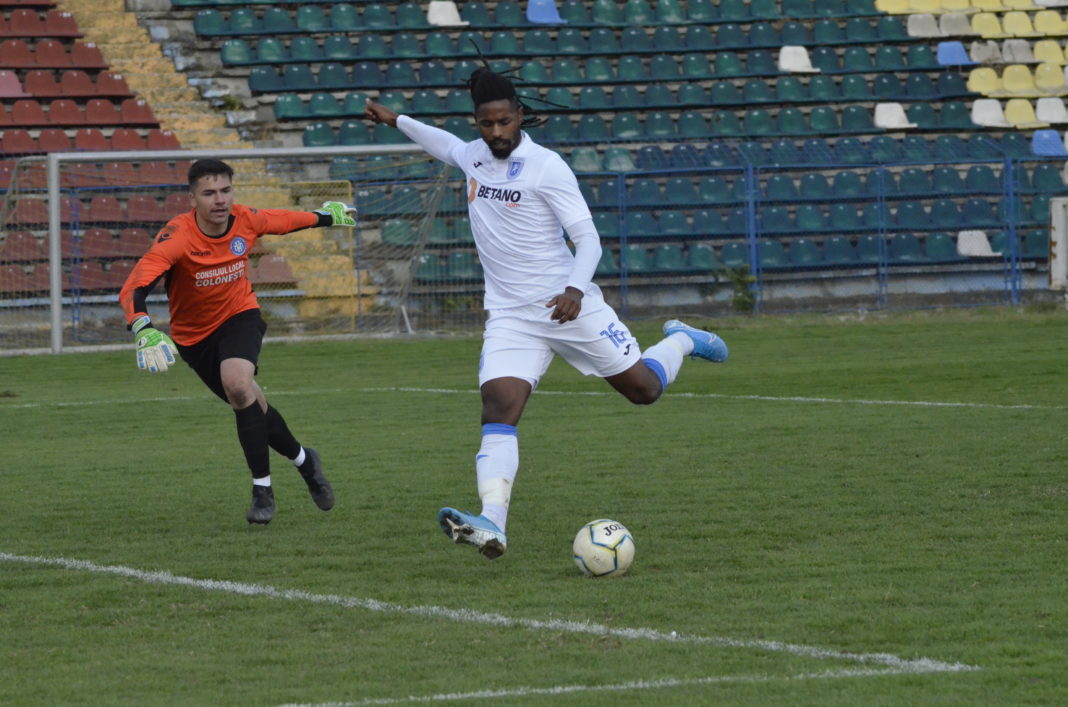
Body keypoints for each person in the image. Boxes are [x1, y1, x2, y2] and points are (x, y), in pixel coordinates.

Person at [364, 67, 729, 560]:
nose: (495, 133)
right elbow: (443, 143)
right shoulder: (472, 155)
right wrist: (396, 119)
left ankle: (682, 338)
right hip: (511, 316)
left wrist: (576, 289)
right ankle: (492, 522)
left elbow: (588, 238)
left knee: (644, 391)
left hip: (568, 307)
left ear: (520, 116)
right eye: (486, 124)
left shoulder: (546, 166)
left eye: (503, 122)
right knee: (498, 409)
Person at [118, 159, 357, 525]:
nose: (220, 200)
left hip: (239, 316)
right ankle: (307, 463)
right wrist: (143, 327)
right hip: (194, 338)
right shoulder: (177, 237)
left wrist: (325, 216)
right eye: (209, 193)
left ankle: (262, 491)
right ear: (192, 197)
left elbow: (283, 221)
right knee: (250, 403)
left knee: (237, 384)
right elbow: (136, 285)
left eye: (226, 191)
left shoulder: (245, 219)